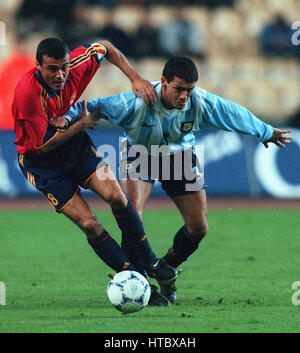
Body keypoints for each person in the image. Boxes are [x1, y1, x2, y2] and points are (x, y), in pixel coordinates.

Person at [62, 56, 292, 303]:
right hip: (140, 153)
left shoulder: (198, 102)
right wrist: (65, 119)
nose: (185, 96)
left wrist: (265, 131)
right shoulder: (136, 102)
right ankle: (137, 279)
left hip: (180, 157)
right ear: (163, 82)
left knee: (199, 227)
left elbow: (231, 112)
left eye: (189, 90)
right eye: (179, 89)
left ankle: (166, 270)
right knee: (132, 217)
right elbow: (92, 105)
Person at [12, 37, 178, 306]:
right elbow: (41, 147)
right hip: (43, 165)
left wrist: (134, 77)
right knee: (90, 224)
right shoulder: (27, 94)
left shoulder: (77, 65)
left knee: (116, 196)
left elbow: (105, 47)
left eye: (64, 67)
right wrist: (81, 124)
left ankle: (149, 261)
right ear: (38, 67)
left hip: (75, 149)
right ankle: (135, 279)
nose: (61, 74)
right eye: (53, 69)